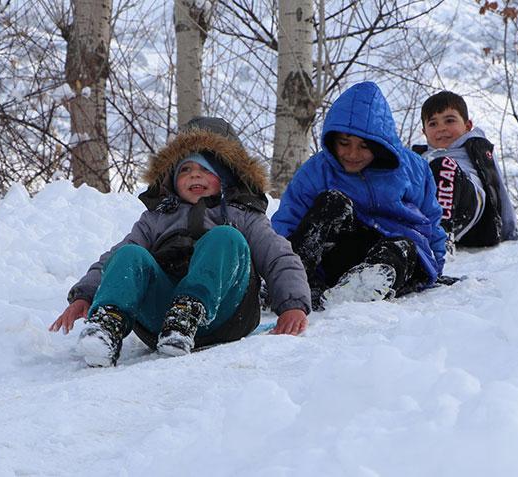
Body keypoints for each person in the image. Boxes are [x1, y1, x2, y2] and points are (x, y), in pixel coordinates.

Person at [49, 117, 311, 367]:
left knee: (225, 237)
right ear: (172, 178)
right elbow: (115, 260)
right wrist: (84, 295)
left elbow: (279, 257)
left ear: (227, 177)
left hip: (226, 314)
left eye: (206, 169)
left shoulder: (243, 215)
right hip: (160, 321)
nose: (194, 175)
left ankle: (188, 311)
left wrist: (293, 305)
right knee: (130, 253)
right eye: (185, 169)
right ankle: (108, 325)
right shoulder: (157, 218)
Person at [271, 81, 447, 311]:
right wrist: (276, 269)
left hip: (401, 256)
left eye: (364, 146)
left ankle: (363, 287)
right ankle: (296, 280)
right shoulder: (317, 171)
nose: (352, 154)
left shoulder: (412, 168)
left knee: (402, 247)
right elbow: (288, 220)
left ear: (381, 145)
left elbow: (431, 218)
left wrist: (436, 265)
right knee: (333, 202)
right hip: (345, 252)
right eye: (344, 143)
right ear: (333, 140)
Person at [412, 91, 518, 248]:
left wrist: (509, 230)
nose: (441, 128)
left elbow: (497, 185)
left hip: (475, 217)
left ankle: (441, 236)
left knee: (444, 166)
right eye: (433, 124)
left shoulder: (476, 147)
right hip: (427, 218)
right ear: (424, 132)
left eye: (449, 120)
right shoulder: (417, 158)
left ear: (467, 126)